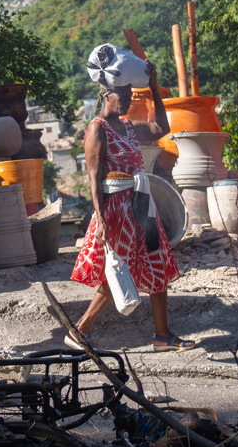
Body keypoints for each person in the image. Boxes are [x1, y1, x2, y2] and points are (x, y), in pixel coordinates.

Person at [68, 54, 196, 351]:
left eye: (129, 95)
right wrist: (100, 220)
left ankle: (162, 335)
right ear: (106, 95)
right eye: (121, 96)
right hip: (116, 208)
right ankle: (81, 329)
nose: (125, 101)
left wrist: (153, 87)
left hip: (141, 204)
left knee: (158, 262)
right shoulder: (97, 128)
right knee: (118, 268)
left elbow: (160, 128)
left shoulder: (127, 124)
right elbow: (93, 177)